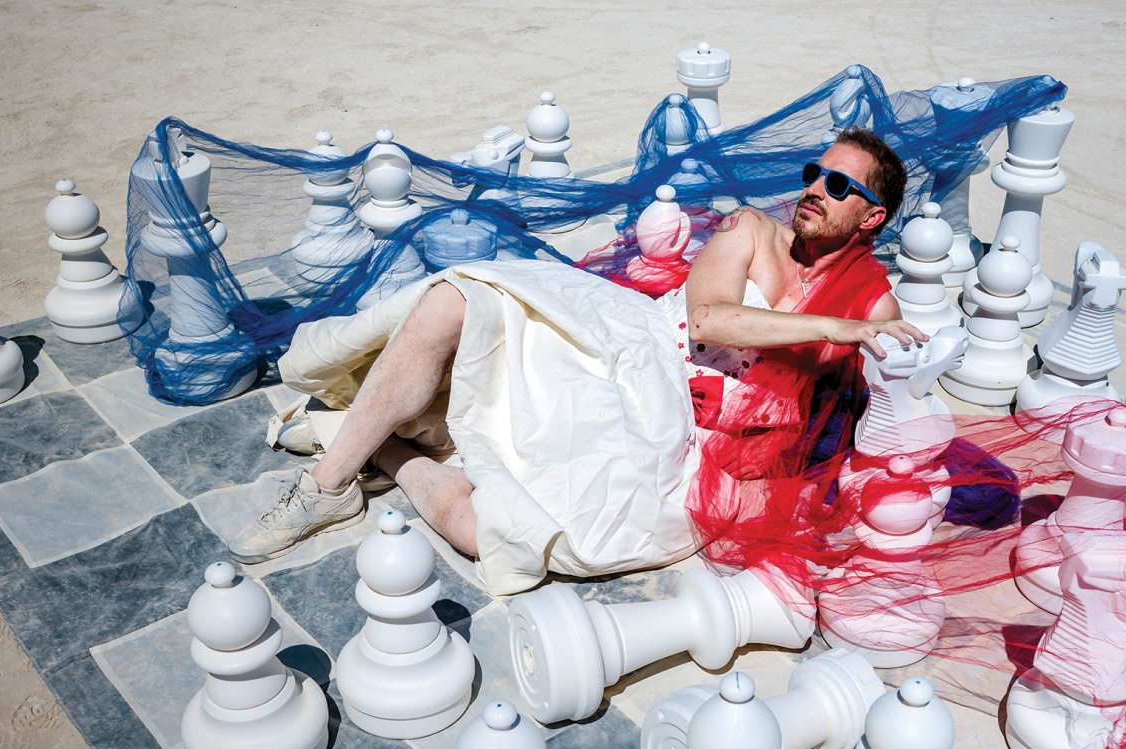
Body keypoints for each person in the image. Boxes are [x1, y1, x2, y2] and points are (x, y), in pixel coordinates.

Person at [228, 128, 924, 593]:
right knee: (457, 299)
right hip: (637, 345)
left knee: (505, 538)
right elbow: (710, 316)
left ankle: (382, 456)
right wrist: (834, 323)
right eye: (814, 173)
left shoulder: (872, 304)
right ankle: (324, 484)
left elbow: (891, 408)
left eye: (839, 186)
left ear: (871, 218)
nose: (813, 189)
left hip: (684, 436)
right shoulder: (753, 231)